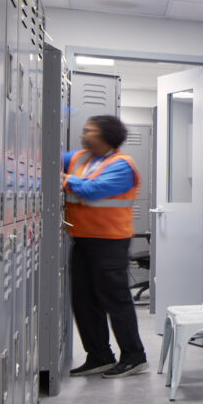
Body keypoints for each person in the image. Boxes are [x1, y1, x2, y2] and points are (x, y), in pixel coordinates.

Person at [63, 115, 149, 378]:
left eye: (89, 130)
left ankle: (134, 356)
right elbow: (46, 155)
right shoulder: (79, 158)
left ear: (104, 137)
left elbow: (93, 190)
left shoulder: (123, 165)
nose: (83, 133)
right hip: (83, 239)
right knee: (84, 300)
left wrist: (63, 179)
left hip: (110, 242)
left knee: (115, 299)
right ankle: (99, 355)